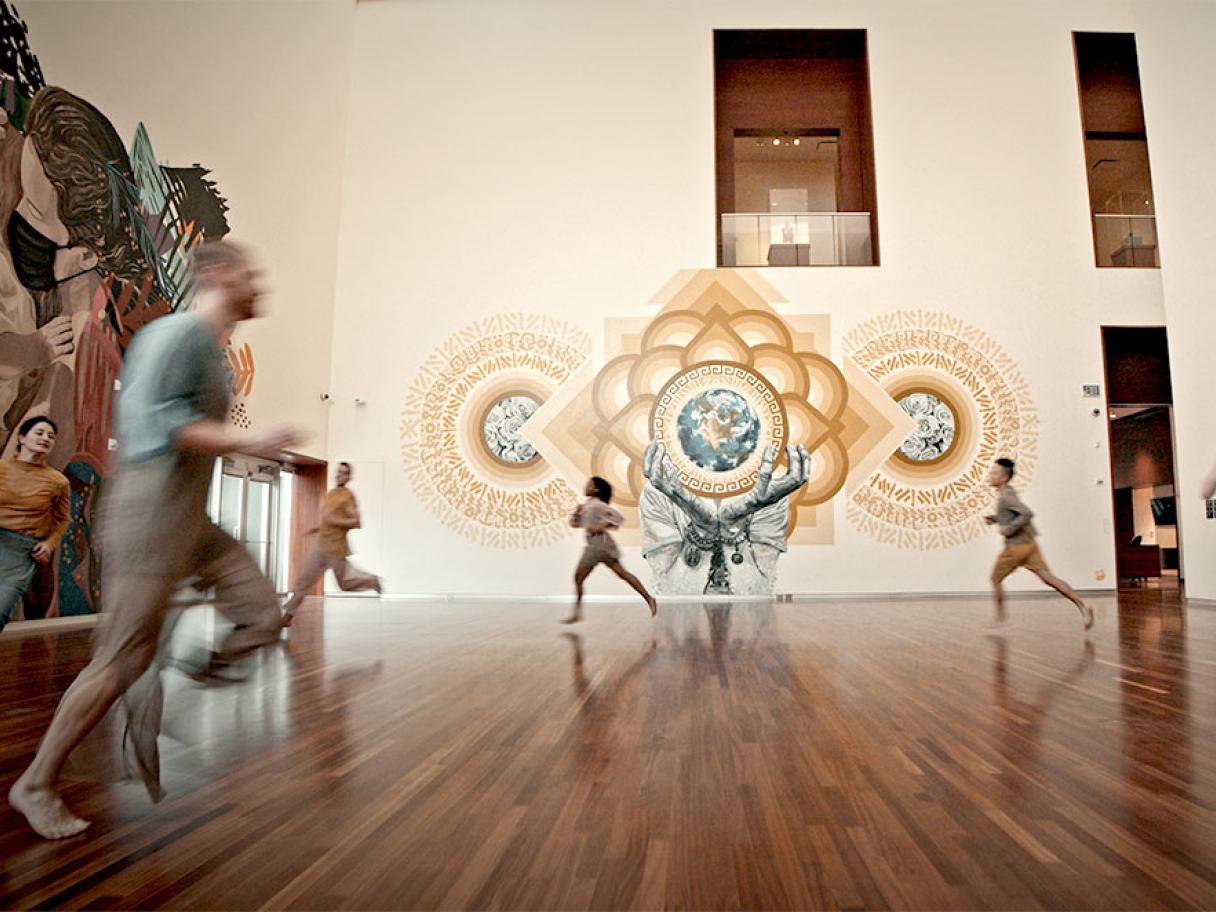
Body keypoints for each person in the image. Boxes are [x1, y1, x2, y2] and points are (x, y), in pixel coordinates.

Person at [8, 240, 303, 839]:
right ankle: (35, 782)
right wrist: (247, 441)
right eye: (251, 272)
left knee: (263, 615)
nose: (260, 283)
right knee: (121, 660)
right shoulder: (176, 336)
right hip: (149, 512)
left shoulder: (213, 354)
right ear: (219, 274)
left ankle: (189, 674)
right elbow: (154, 425)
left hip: (191, 520)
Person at [985, 457, 1093, 630]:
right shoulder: (1009, 492)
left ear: (1004, 478)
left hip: (1016, 548)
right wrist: (996, 518)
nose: (991, 475)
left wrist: (1008, 530)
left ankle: (1001, 618)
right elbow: (1014, 513)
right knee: (1050, 579)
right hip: (1030, 546)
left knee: (995, 578)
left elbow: (1026, 514)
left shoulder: (1005, 497)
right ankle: (1083, 608)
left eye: (995, 472)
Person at [280, 461, 381, 627]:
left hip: (336, 549)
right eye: (338, 472)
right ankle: (288, 615)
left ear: (349, 477)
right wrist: (318, 528)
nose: (339, 475)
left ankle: (371, 581)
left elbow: (356, 522)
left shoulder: (348, 497)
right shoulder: (330, 494)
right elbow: (327, 519)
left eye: (343, 473)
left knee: (344, 585)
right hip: (321, 544)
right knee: (303, 581)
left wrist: (333, 520)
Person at [0, 416, 69, 631]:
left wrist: (50, 543)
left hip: (20, 551)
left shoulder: (58, 481)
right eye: (39, 433)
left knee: (2, 610)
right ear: (21, 438)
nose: (46, 438)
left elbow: (63, 519)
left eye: (51, 436)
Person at [563, 476, 656, 624]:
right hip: (601, 545)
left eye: (589, 484)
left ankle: (576, 613)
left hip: (597, 546)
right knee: (623, 574)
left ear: (595, 490)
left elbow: (618, 518)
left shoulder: (597, 505)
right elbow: (575, 524)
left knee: (578, 578)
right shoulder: (588, 505)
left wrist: (602, 525)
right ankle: (649, 599)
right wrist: (577, 513)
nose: (586, 486)